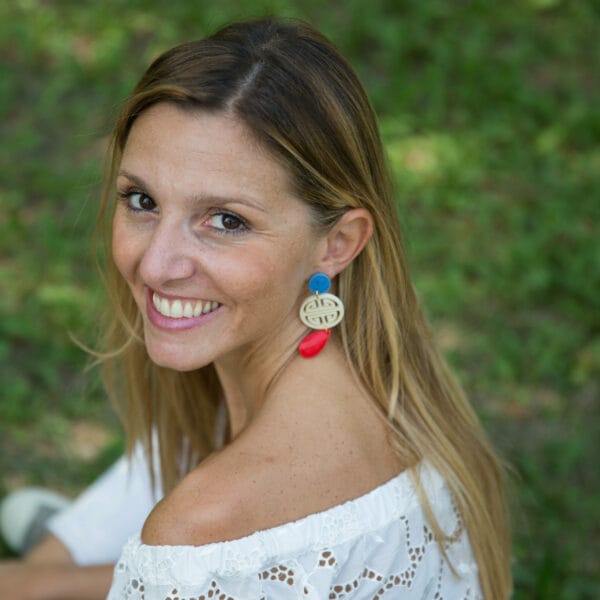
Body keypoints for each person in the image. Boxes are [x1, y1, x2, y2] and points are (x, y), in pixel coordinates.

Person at [8, 16, 513, 599]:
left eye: (227, 221)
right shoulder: (392, 388)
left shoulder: (198, 530)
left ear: (338, 243)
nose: (154, 266)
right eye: (142, 200)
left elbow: (208, 536)